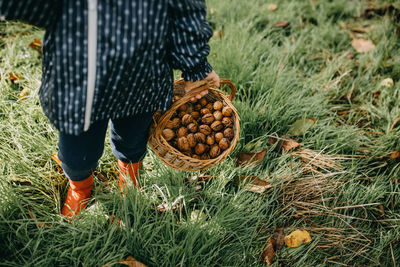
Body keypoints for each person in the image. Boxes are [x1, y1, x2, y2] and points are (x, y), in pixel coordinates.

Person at [0, 0, 220, 218]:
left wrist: (196, 66)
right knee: (76, 155)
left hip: (143, 77)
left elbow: (185, 11)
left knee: (133, 140)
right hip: (79, 82)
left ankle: (129, 174)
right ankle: (80, 186)